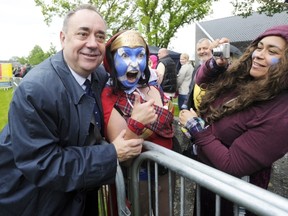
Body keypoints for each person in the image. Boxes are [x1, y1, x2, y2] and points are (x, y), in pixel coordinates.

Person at [0, 4, 144, 216]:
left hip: (77, 197)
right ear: (63, 38)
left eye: (100, 36)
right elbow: (43, 164)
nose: (93, 44)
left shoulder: (100, 76)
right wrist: (111, 154)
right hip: (34, 203)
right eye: (83, 34)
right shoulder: (35, 90)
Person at [179, 25, 288, 216]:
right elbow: (201, 81)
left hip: (236, 201)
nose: (258, 55)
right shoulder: (246, 79)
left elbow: (232, 165)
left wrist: (195, 128)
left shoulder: (282, 112)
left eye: (272, 51)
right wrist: (217, 62)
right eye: (259, 47)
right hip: (210, 186)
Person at [101, 30, 175, 216]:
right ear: (111, 59)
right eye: (125, 55)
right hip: (134, 178)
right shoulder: (108, 96)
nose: (134, 63)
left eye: (140, 55)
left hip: (165, 173)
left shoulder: (153, 88)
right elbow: (123, 153)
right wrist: (136, 123)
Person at [182, 38, 212, 110]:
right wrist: (186, 105)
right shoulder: (197, 68)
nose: (202, 51)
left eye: (205, 48)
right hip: (196, 111)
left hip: (210, 111)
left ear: (211, 49)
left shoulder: (217, 68)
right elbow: (191, 88)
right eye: (199, 49)